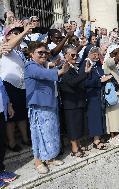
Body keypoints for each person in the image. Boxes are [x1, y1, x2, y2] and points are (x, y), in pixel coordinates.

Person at [25, 42, 69, 174]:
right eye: (40, 52)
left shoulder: (42, 65)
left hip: (50, 103)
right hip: (38, 106)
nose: (44, 55)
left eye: (46, 52)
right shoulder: (30, 66)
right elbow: (43, 75)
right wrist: (61, 71)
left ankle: (49, 158)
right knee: (39, 134)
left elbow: (47, 72)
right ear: (32, 54)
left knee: (50, 133)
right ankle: (38, 162)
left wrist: (57, 67)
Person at [0, 25, 33, 152]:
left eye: (19, 32)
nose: (18, 34)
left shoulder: (18, 52)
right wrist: (25, 31)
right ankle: (12, 142)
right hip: (9, 86)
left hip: (21, 86)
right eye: (15, 32)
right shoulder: (4, 47)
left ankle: (25, 139)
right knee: (12, 117)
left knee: (22, 115)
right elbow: (9, 46)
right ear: (7, 36)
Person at [59, 46, 92, 158]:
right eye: (72, 55)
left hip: (78, 100)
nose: (75, 57)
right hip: (70, 102)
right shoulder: (64, 68)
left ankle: (77, 144)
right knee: (72, 126)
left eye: (76, 55)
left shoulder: (74, 67)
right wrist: (85, 73)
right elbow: (72, 83)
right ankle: (74, 148)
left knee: (77, 125)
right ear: (65, 56)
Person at [81, 47, 112, 150]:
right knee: (95, 116)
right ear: (88, 54)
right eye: (93, 53)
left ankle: (99, 136)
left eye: (97, 54)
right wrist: (100, 81)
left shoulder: (97, 64)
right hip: (91, 95)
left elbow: (100, 74)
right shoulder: (85, 64)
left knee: (100, 115)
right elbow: (84, 82)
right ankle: (96, 140)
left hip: (99, 94)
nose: (96, 56)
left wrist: (105, 77)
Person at [0, 79, 17, 188]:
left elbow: (3, 89)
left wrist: (9, 105)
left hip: (1, 111)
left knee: (1, 144)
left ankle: (1, 171)